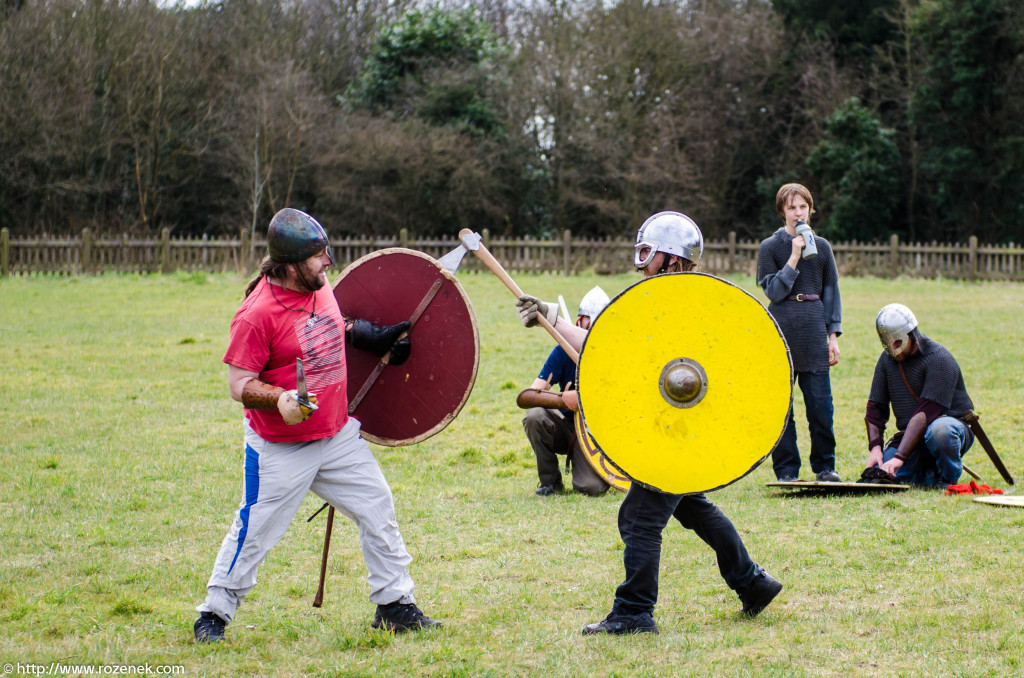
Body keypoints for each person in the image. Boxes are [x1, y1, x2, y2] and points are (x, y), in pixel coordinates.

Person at [516, 211, 783, 635]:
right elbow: (613, 344)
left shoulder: (686, 305)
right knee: (693, 506)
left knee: (639, 519)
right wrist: (553, 314)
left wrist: (556, 318)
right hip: (678, 428)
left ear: (672, 260)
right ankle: (753, 583)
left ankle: (634, 612)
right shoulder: (666, 302)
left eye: (648, 253)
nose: (641, 262)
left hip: (685, 427)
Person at [193, 208, 441, 642]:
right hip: (280, 444)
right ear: (290, 266)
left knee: (378, 508)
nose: (328, 261)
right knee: (255, 531)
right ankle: (214, 613)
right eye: (318, 256)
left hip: (336, 433)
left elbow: (326, 326)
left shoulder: (320, 285)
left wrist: (366, 333)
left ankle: (394, 605)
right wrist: (280, 398)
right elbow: (238, 384)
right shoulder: (256, 313)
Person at [756, 183, 843, 483]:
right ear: (783, 211)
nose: (798, 212)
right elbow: (774, 291)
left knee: (821, 407)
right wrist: (793, 257)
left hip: (813, 330)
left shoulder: (823, 248)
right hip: (780, 330)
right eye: (792, 207)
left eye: (803, 206)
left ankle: (825, 467)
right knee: (783, 409)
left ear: (810, 209)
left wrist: (832, 337)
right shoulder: (770, 247)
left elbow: (831, 292)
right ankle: (786, 471)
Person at [863, 303, 975, 487]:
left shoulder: (939, 359)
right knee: (885, 475)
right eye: (888, 344)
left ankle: (947, 479)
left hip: (948, 429)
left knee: (940, 431)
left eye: (898, 343)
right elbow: (876, 408)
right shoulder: (886, 361)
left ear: (911, 334)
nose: (894, 351)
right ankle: (928, 474)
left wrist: (899, 457)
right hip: (911, 438)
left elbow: (926, 414)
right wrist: (876, 448)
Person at [520, 286, 611, 497]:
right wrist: (563, 400)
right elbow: (531, 394)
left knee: (591, 488)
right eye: (588, 321)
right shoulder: (563, 350)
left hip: (597, 435)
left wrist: (584, 399)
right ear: (580, 322)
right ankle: (550, 483)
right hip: (567, 426)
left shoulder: (611, 357)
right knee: (535, 417)